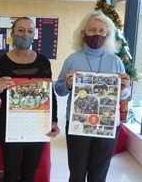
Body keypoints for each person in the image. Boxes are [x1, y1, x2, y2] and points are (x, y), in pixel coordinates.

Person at [54, 10, 131, 182]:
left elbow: (125, 95)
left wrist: (124, 90)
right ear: (83, 33)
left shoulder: (115, 61)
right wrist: (67, 84)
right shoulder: (73, 59)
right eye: (92, 30)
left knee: (99, 174)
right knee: (77, 172)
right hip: (77, 123)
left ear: (107, 34)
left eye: (101, 31)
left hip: (107, 124)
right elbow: (58, 89)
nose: (97, 34)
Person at [0, 17, 60, 182]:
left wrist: (54, 120)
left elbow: (50, 93)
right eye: (21, 30)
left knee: (30, 171)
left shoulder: (43, 62)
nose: (25, 35)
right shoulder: (1, 63)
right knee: (10, 171)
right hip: (9, 125)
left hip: (37, 125)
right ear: (12, 34)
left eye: (30, 31)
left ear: (34, 35)